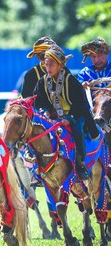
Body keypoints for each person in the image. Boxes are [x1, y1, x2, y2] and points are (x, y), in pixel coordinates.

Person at [33, 44, 100, 181]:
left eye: (52, 65)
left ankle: (80, 164)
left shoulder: (71, 81)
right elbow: (38, 101)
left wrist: (70, 118)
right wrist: (45, 111)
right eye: (46, 64)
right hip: (55, 117)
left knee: (77, 130)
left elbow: (80, 103)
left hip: (76, 114)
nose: (48, 68)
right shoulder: (42, 82)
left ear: (60, 66)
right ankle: (39, 166)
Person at [78, 37, 111, 103]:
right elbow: (77, 91)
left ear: (106, 54)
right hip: (90, 111)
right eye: (93, 56)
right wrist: (83, 85)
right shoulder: (84, 73)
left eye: (100, 55)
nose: (97, 60)